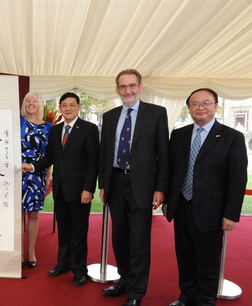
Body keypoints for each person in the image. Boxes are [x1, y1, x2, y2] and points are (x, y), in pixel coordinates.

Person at [163, 88, 247, 306]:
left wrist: (231, 214)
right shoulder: (179, 135)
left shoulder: (232, 137)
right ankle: (186, 297)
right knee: (185, 257)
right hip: (182, 207)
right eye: (195, 103)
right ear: (189, 108)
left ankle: (205, 301)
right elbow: (172, 171)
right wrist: (168, 201)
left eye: (206, 103)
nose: (200, 107)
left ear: (215, 106)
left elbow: (237, 180)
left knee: (208, 262)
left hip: (212, 211)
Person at [99, 69, 169, 306]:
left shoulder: (157, 114)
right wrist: (103, 185)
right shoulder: (109, 117)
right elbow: (105, 154)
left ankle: (137, 292)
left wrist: (161, 188)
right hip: (115, 183)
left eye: (131, 86)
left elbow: (164, 154)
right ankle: (125, 280)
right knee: (119, 238)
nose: (127, 90)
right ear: (117, 89)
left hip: (143, 186)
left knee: (139, 240)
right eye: (122, 86)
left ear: (140, 86)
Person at [22, 92, 100, 286]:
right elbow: (50, 157)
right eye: (64, 105)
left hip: (80, 191)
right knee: (64, 230)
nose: (68, 108)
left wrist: (88, 189)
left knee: (79, 232)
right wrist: (32, 167)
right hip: (61, 190)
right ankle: (63, 263)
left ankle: (79, 270)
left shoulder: (89, 129)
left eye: (72, 105)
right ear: (60, 108)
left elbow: (93, 162)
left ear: (79, 107)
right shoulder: (55, 130)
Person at [20, 92, 52, 268]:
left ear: (40, 104)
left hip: (37, 175)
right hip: (17, 173)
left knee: (33, 214)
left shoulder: (48, 127)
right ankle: (18, 250)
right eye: (28, 101)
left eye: (34, 101)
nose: (31, 103)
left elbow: (49, 155)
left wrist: (48, 175)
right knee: (18, 215)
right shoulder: (18, 121)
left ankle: (31, 251)